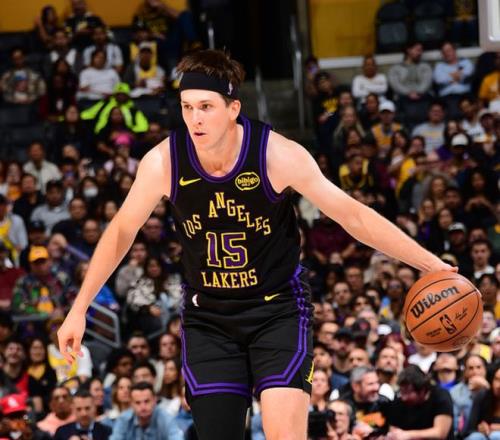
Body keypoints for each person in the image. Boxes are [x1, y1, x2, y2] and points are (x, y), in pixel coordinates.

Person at [58, 49, 455, 440]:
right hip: (208, 316)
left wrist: (430, 264)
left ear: (233, 108)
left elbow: (353, 216)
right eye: (187, 107)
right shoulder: (164, 162)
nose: (195, 118)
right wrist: (79, 309)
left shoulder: (276, 155)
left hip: (277, 311)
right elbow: (121, 231)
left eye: (206, 107)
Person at [109, 381, 183, 439]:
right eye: (137, 402)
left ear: (155, 400)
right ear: (131, 404)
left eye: (147, 401)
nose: (143, 407)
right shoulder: (124, 419)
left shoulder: (166, 418)